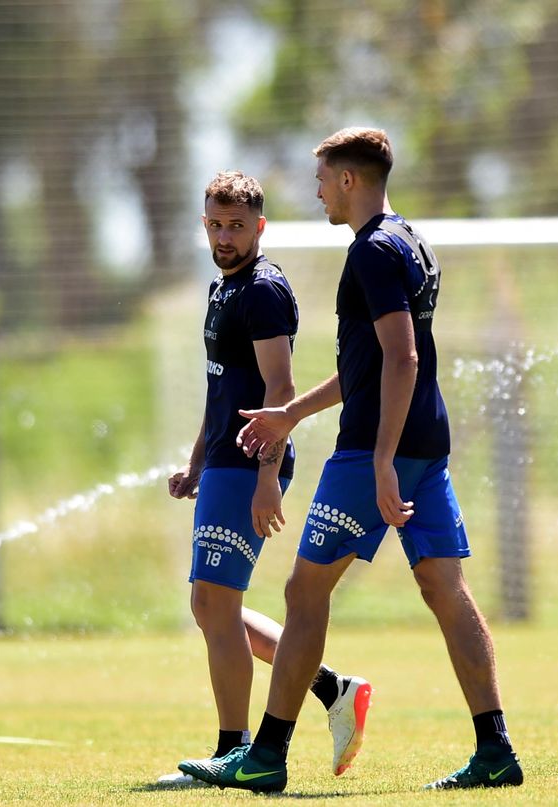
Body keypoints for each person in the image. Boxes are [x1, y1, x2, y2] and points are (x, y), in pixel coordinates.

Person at [178, 128, 522, 794]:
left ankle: (265, 753)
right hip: (428, 442)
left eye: (323, 178)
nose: (317, 191)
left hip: (374, 449)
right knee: (446, 593)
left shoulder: (370, 251)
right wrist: (294, 415)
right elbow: (365, 366)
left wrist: (383, 458)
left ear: (348, 180)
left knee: (304, 593)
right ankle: (495, 748)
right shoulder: (412, 241)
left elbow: (401, 357)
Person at [159, 170, 371, 786]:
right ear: (205, 225)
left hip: (251, 463)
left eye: (237, 225)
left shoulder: (264, 289)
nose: (226, 236)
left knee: (213, 604)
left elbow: (280, 391)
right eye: (216, 225)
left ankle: (234, 748)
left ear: (259, 226)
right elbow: (219, 388)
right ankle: (334, 688)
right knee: (211, 607)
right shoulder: (222, 290)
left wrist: (265, 478)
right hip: (224, 461)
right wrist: (197, 461)